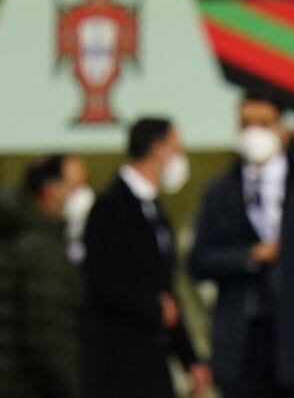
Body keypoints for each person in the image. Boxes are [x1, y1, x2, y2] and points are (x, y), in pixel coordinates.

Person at [189, 91, 294, 398]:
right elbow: (199, 261)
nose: (255, 132)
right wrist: (249, 256)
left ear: (281, 128)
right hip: (242, 347)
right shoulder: (221, 190)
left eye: (264, 123)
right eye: (246, 123)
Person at [81, 118, 211, 398]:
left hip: (152, 356)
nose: (179, 158)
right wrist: (151, 307)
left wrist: (189, 359)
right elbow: (100, 280)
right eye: (177, 148)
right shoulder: (110, 207)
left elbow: (165, 291)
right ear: (158, 150)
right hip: (118, 362)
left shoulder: (153, 211)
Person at [0, 156, 84, 398]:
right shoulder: (43, 249)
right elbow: (48, 338)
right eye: (76, 186)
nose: (83, 194)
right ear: (51, 189)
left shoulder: (15, 234)